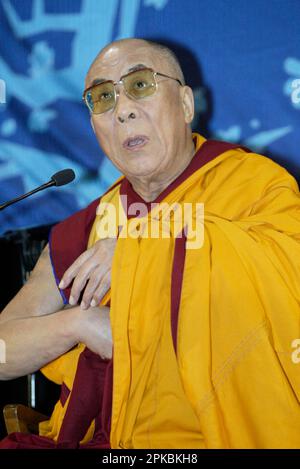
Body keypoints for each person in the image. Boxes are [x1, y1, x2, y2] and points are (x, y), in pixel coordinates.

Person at [0, 38, 300, 449]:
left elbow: (289, 280)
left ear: (186, 105)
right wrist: (78, 324)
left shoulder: (254, 184)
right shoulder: (89, 226)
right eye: (103, 97)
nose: (122, 109)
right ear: (95, 128)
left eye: (140, 84)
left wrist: (141, 244)